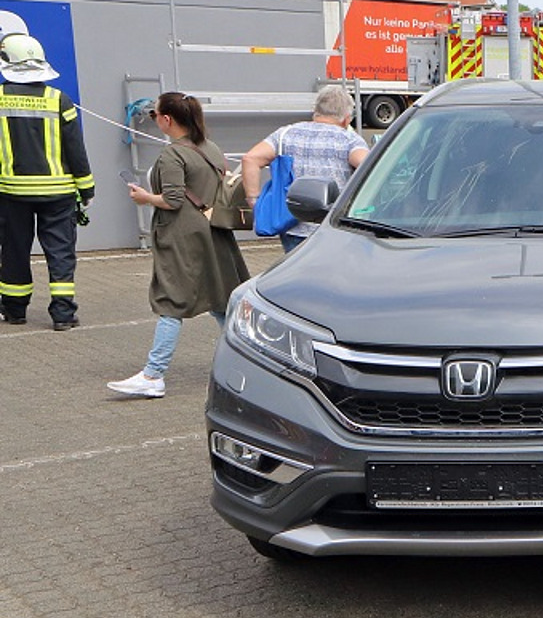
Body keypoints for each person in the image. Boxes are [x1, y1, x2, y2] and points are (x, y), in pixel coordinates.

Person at [109, 93, 250, 398]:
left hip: (183, 236)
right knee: (221, 302)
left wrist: (144, 197)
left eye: (154, 115)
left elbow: (172, 200)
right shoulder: (211, 148)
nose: (154, 119)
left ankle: (153, 374)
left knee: (170, 302)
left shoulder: (172, 155)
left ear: (167, 119)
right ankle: (252, 363)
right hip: (213, 231)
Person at [0, 32, 94, 330]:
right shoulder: (58, 100)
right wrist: (86, 188)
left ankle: (14, 310)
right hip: (59, 194)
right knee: (60, 252)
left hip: (12, 192)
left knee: (14, 250)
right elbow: (75, 149)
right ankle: (63, 314)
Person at [241, 85, 369, 252]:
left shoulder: (285, 134)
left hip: (291, 224)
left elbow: (250, 159)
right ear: (346, 119)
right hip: (331, 227)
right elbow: (367, 166)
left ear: (316, 111)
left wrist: (254, 201)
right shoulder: (350, 140)